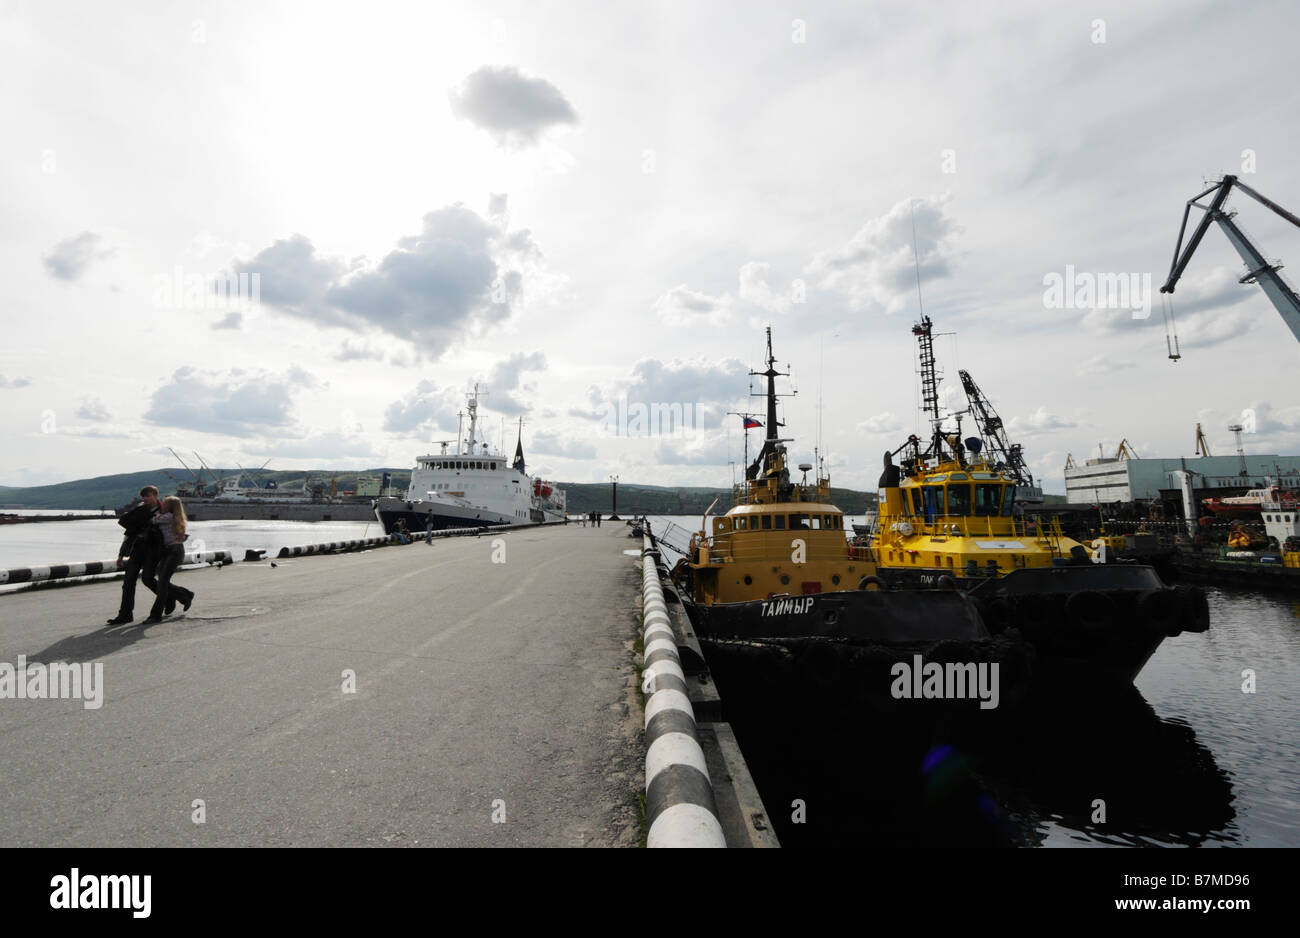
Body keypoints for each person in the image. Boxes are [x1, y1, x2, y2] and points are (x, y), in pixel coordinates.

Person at [106, 485, 164, 625]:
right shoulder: (139, 511)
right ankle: (125, 615)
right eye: (143, 496)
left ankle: (175, 596)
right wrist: (121, 554)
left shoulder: (164, 511)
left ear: (155, 495)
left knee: (148, 579)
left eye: (147, 496)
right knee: (128, 582)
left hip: (153, 550)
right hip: (137, 550)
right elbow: (128, 534)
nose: (144, 499)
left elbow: (168, 532)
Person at [144, 495, 195, 623]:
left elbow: (152, 521)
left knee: (162, 583)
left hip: (173, 551)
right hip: (171, 551)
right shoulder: (176, 517)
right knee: (163, 581)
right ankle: (185, 595)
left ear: (169, 506)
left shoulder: (167, 517)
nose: (162, 504)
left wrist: (154, 513)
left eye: (164, 503)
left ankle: (155, 615)